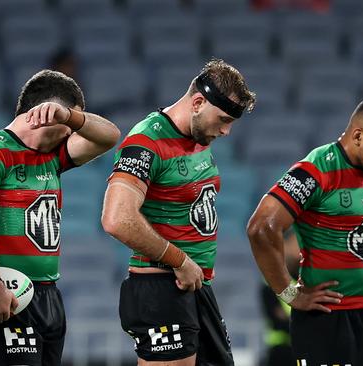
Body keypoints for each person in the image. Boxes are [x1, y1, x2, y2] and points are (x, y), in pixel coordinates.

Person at [0, 69, 120, 365]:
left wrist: (71, 116)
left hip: (49, 295)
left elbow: (110, 136)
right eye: (68, 123)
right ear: (45, 116)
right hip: (8, 292)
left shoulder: (51, 156)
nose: (73, 133)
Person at [101, 59, 256, 365]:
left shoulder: (197, 135)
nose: (225, 131)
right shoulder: (147, 141)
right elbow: (116, 218)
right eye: (223, 120)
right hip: (161, 289)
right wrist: (180, 260)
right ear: (198, 102)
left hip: (192, 288)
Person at [247, 95, 363, 366]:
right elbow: (261, 228)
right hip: (329, 322)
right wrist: (289, 294)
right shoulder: (316, 171)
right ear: (358, 135)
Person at [259, 232, 299, 366]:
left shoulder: (306, 280)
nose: (298, 250)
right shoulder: (270, 284)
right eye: (295, 244)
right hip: (281, 351)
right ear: (284, 246)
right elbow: (278, 320)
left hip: (303, 351)